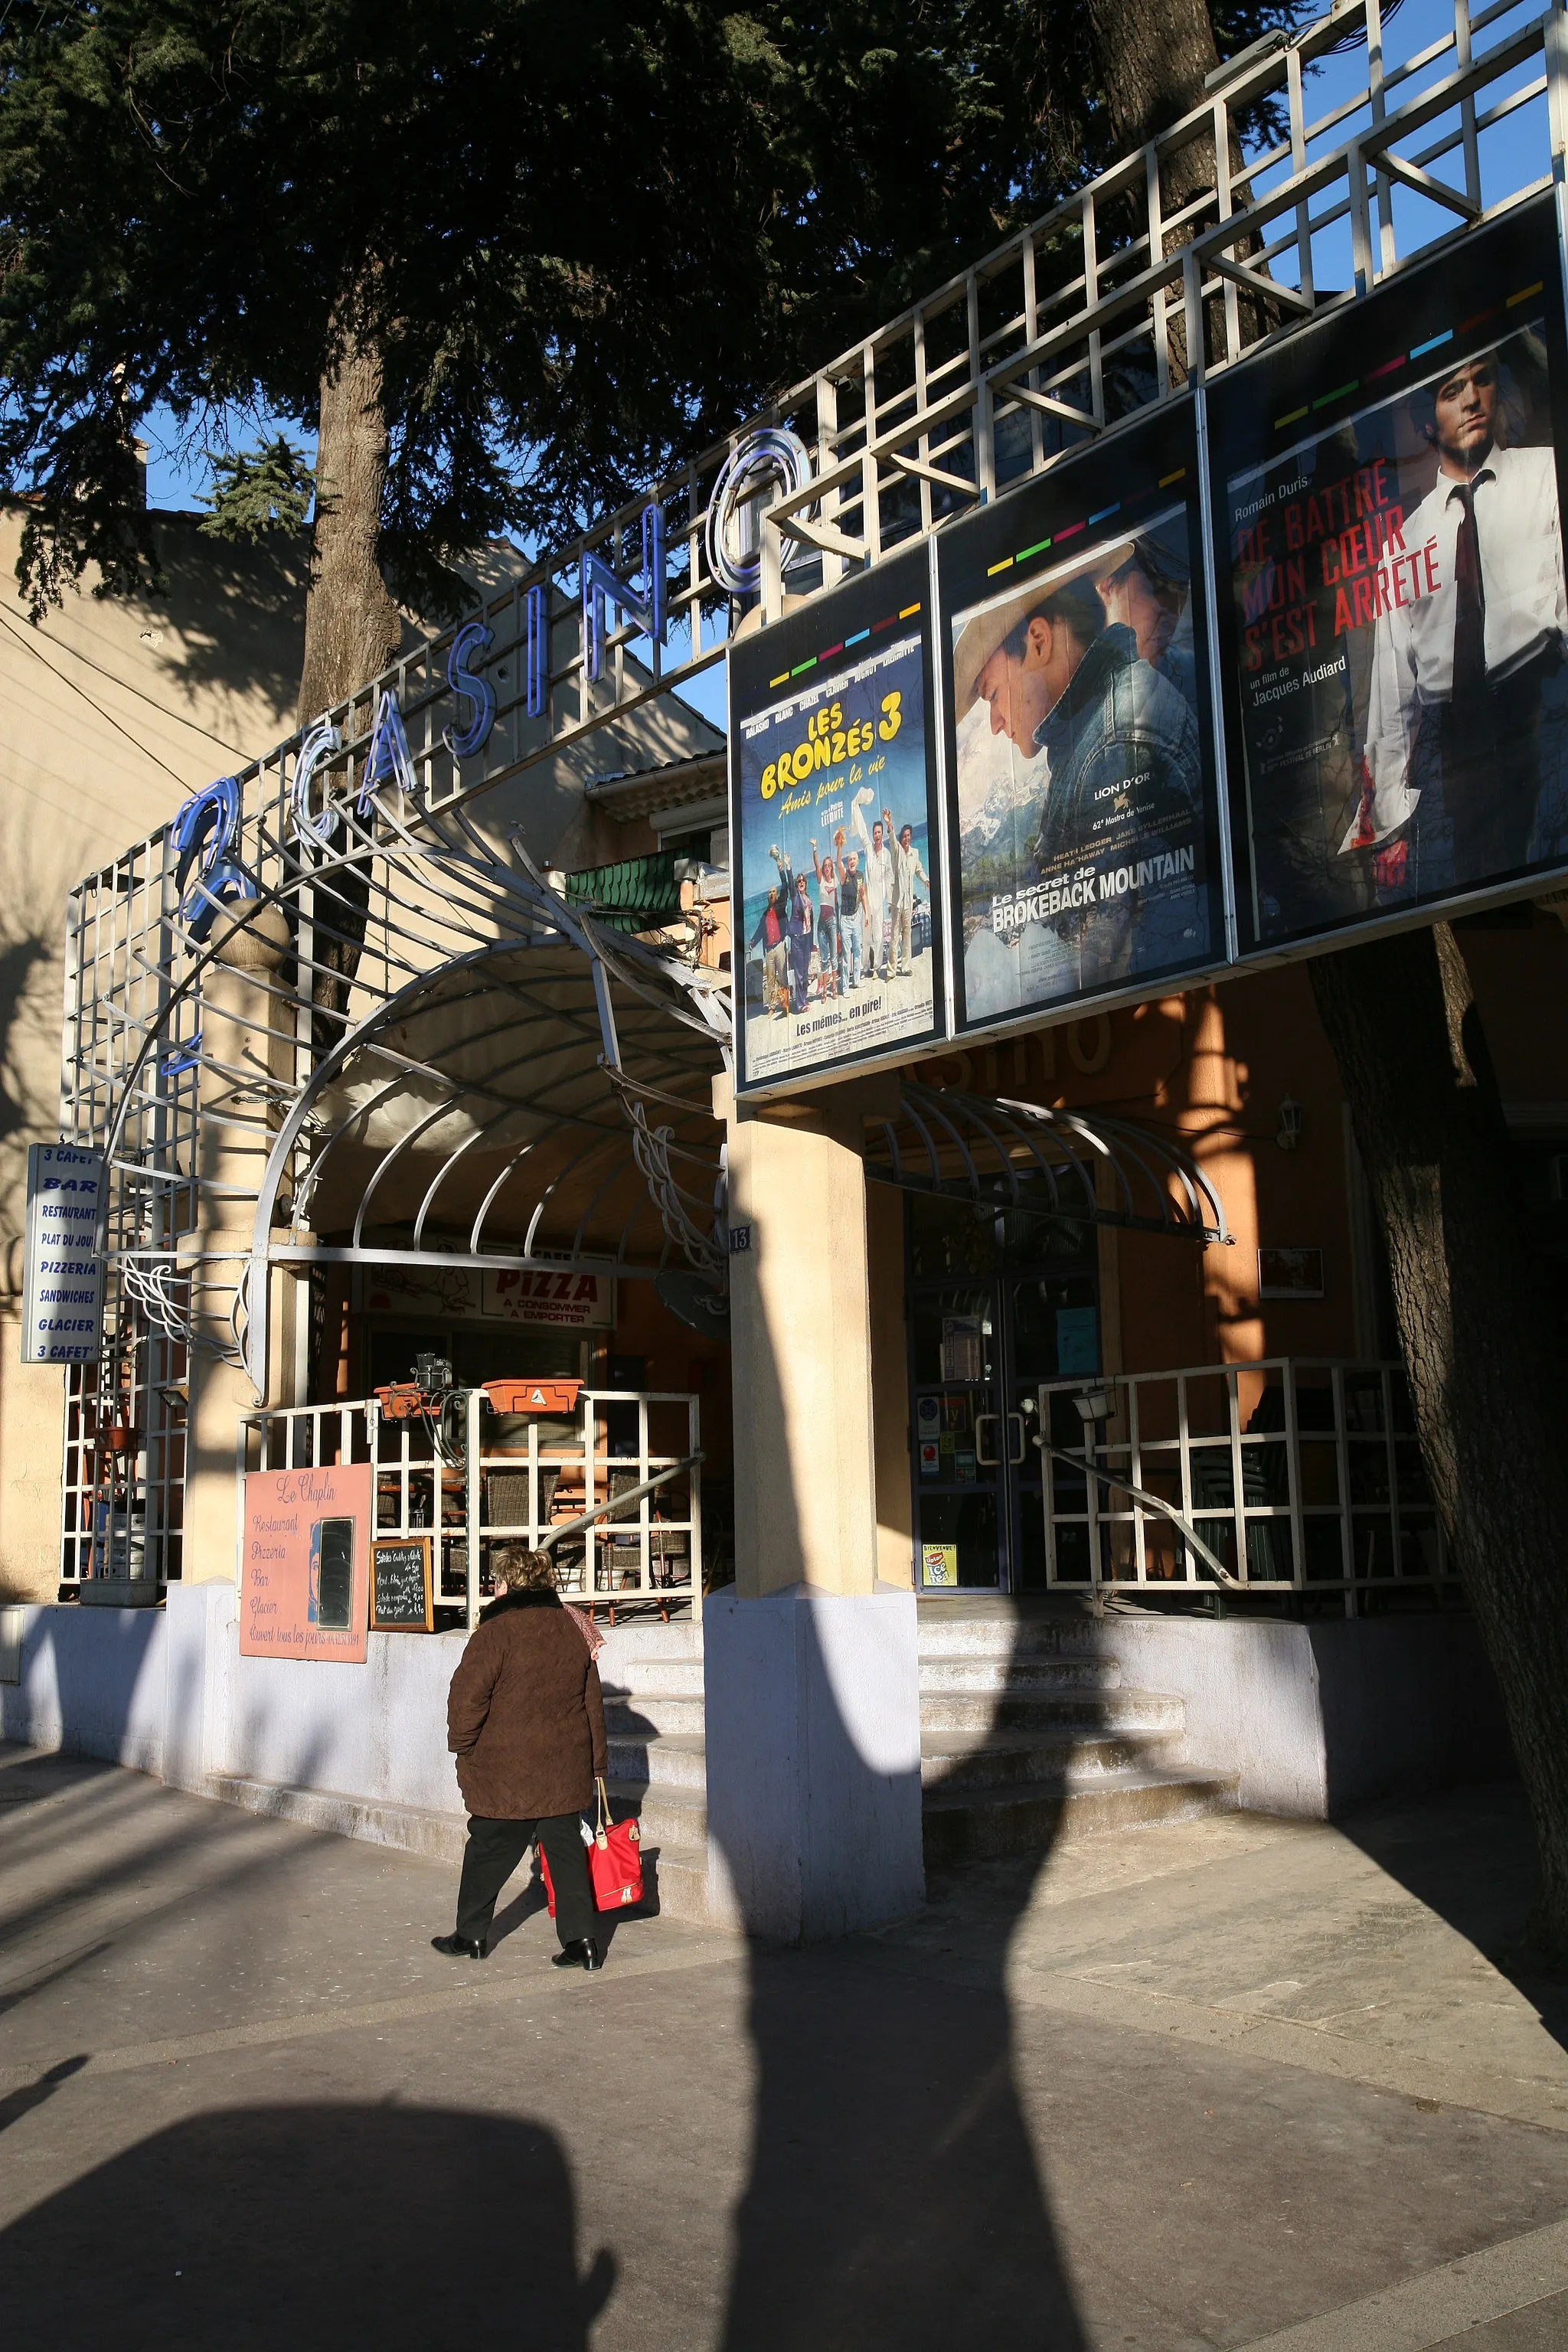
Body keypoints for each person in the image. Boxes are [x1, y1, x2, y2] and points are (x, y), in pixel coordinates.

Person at [1350, 346, 1566, 892]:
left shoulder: (1547, 475)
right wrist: (1388, 826)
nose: (1472, 399)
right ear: (1428, 420)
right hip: (1454, 745)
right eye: (1452, 391)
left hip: (1545, 707)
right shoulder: (1404, 547)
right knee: (1485, 902)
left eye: (1482, 381)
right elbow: (1393, 701)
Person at [962, 573, 1204, 987]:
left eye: (993, 695)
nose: (996, 724)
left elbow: (1119, 957)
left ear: (1038, 641)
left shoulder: (1108, 746)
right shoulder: (1095, 727)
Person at [434, 1544, 607, 1971]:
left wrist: (463, 1746)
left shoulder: (495, 1633)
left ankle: (471, 1936)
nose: (494, 1588)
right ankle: (583, 1942)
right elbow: (592, 1703)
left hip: (507, 1769)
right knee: (566, 1853)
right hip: (564, 1766)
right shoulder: (573, 1627)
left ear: (509, 1584)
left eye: (497, 1581)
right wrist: (597, 1763)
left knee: (488, 1851)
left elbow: (467, 1700)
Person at [851, 789, 893, 977]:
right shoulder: (868, 850)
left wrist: (891, 901)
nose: (876, 835)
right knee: (865, 936)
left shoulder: (886, 855)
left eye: (878, 833)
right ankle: (866, 966)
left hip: (880, 903)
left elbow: (890, 880)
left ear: (882, 834)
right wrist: (857, 808)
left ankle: (877, 967)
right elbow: (861, 831)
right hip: (867, 904)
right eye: (874, 833)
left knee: (879, 937)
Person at [887, 811, 929, 976]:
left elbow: (919, 869)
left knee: (907, 935)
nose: (907, 838)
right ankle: (891, 970)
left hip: (908, 903)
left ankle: (905, 967)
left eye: (909, 835)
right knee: (894, 936)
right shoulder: (896, 851)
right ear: (901, 838)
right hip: (897, 902)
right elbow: (891, 839)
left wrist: (925, 880)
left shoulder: (915, 853)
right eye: (904, 836)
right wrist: (889, 824)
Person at [747, 884, 789, 1019]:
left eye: (774, 892)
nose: (772, 894)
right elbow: (760, 930)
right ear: (767, 897)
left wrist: (782, 871)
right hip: (769, 950)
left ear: (776, 895)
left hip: (780, 946)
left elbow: (786, 890)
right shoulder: (765, 914)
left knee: (782, 977)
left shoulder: (780, 907)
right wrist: (753, 941)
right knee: (771, 980)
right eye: (770, 892)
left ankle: (785, 1005)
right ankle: (772, 1007)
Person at [809, 835, 841, 997]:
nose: (827, 867)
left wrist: (839, 927)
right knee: (823, 959)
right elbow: (816, 863)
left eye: (829, 865)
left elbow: (836, 904)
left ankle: (834, 988)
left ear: (832, 868)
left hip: (832, 921)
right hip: (821, 924)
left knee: (834, 957)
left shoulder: (835, 882)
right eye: (825, 866)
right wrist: (815, 848)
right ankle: (825, 991)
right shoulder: (821, 881)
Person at [837, 836, 866, 990]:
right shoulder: (844, 876)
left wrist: (866, 914)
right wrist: (840, 846)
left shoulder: (861, 875)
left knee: (858, 951)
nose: (852, 861)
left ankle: (856, 981)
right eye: (850, 860)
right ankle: (845, 987)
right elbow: (838, 863)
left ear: (858, 861)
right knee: (846, 955)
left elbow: (863, 895)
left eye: (854, 859)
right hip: (845, 921)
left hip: (857, 917)